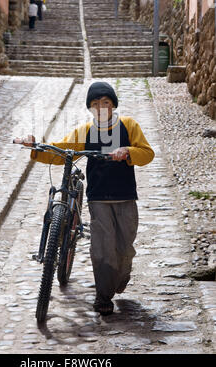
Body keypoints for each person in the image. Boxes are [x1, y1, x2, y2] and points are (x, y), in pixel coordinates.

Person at [14, 81, 154, 316]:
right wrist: (35, 147)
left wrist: (128, 152)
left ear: (113, 105)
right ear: (90, 108)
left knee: (125, 249)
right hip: (98, 198)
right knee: (102, 248)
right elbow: (61, 151)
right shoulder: (86, 131)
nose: (101, 107)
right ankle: (103, 297)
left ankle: (120, 277)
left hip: (125, 197)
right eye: (95, 104)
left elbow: (147, 153)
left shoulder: (129, 125)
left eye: (106, 103)